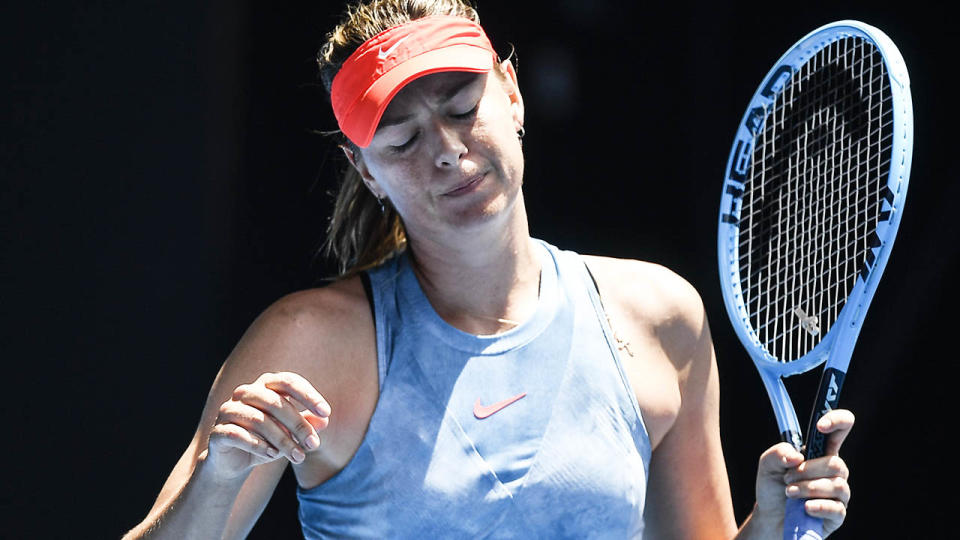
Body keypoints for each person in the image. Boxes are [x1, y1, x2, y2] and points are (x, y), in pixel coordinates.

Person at [123, 1, 853, 538]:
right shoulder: (311, 345)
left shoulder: (661, 319)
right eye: (402, 140)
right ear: (365, 172)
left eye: (463, 108)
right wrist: (216, 477)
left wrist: (774, 529)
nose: (445, 150)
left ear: (512, 93)